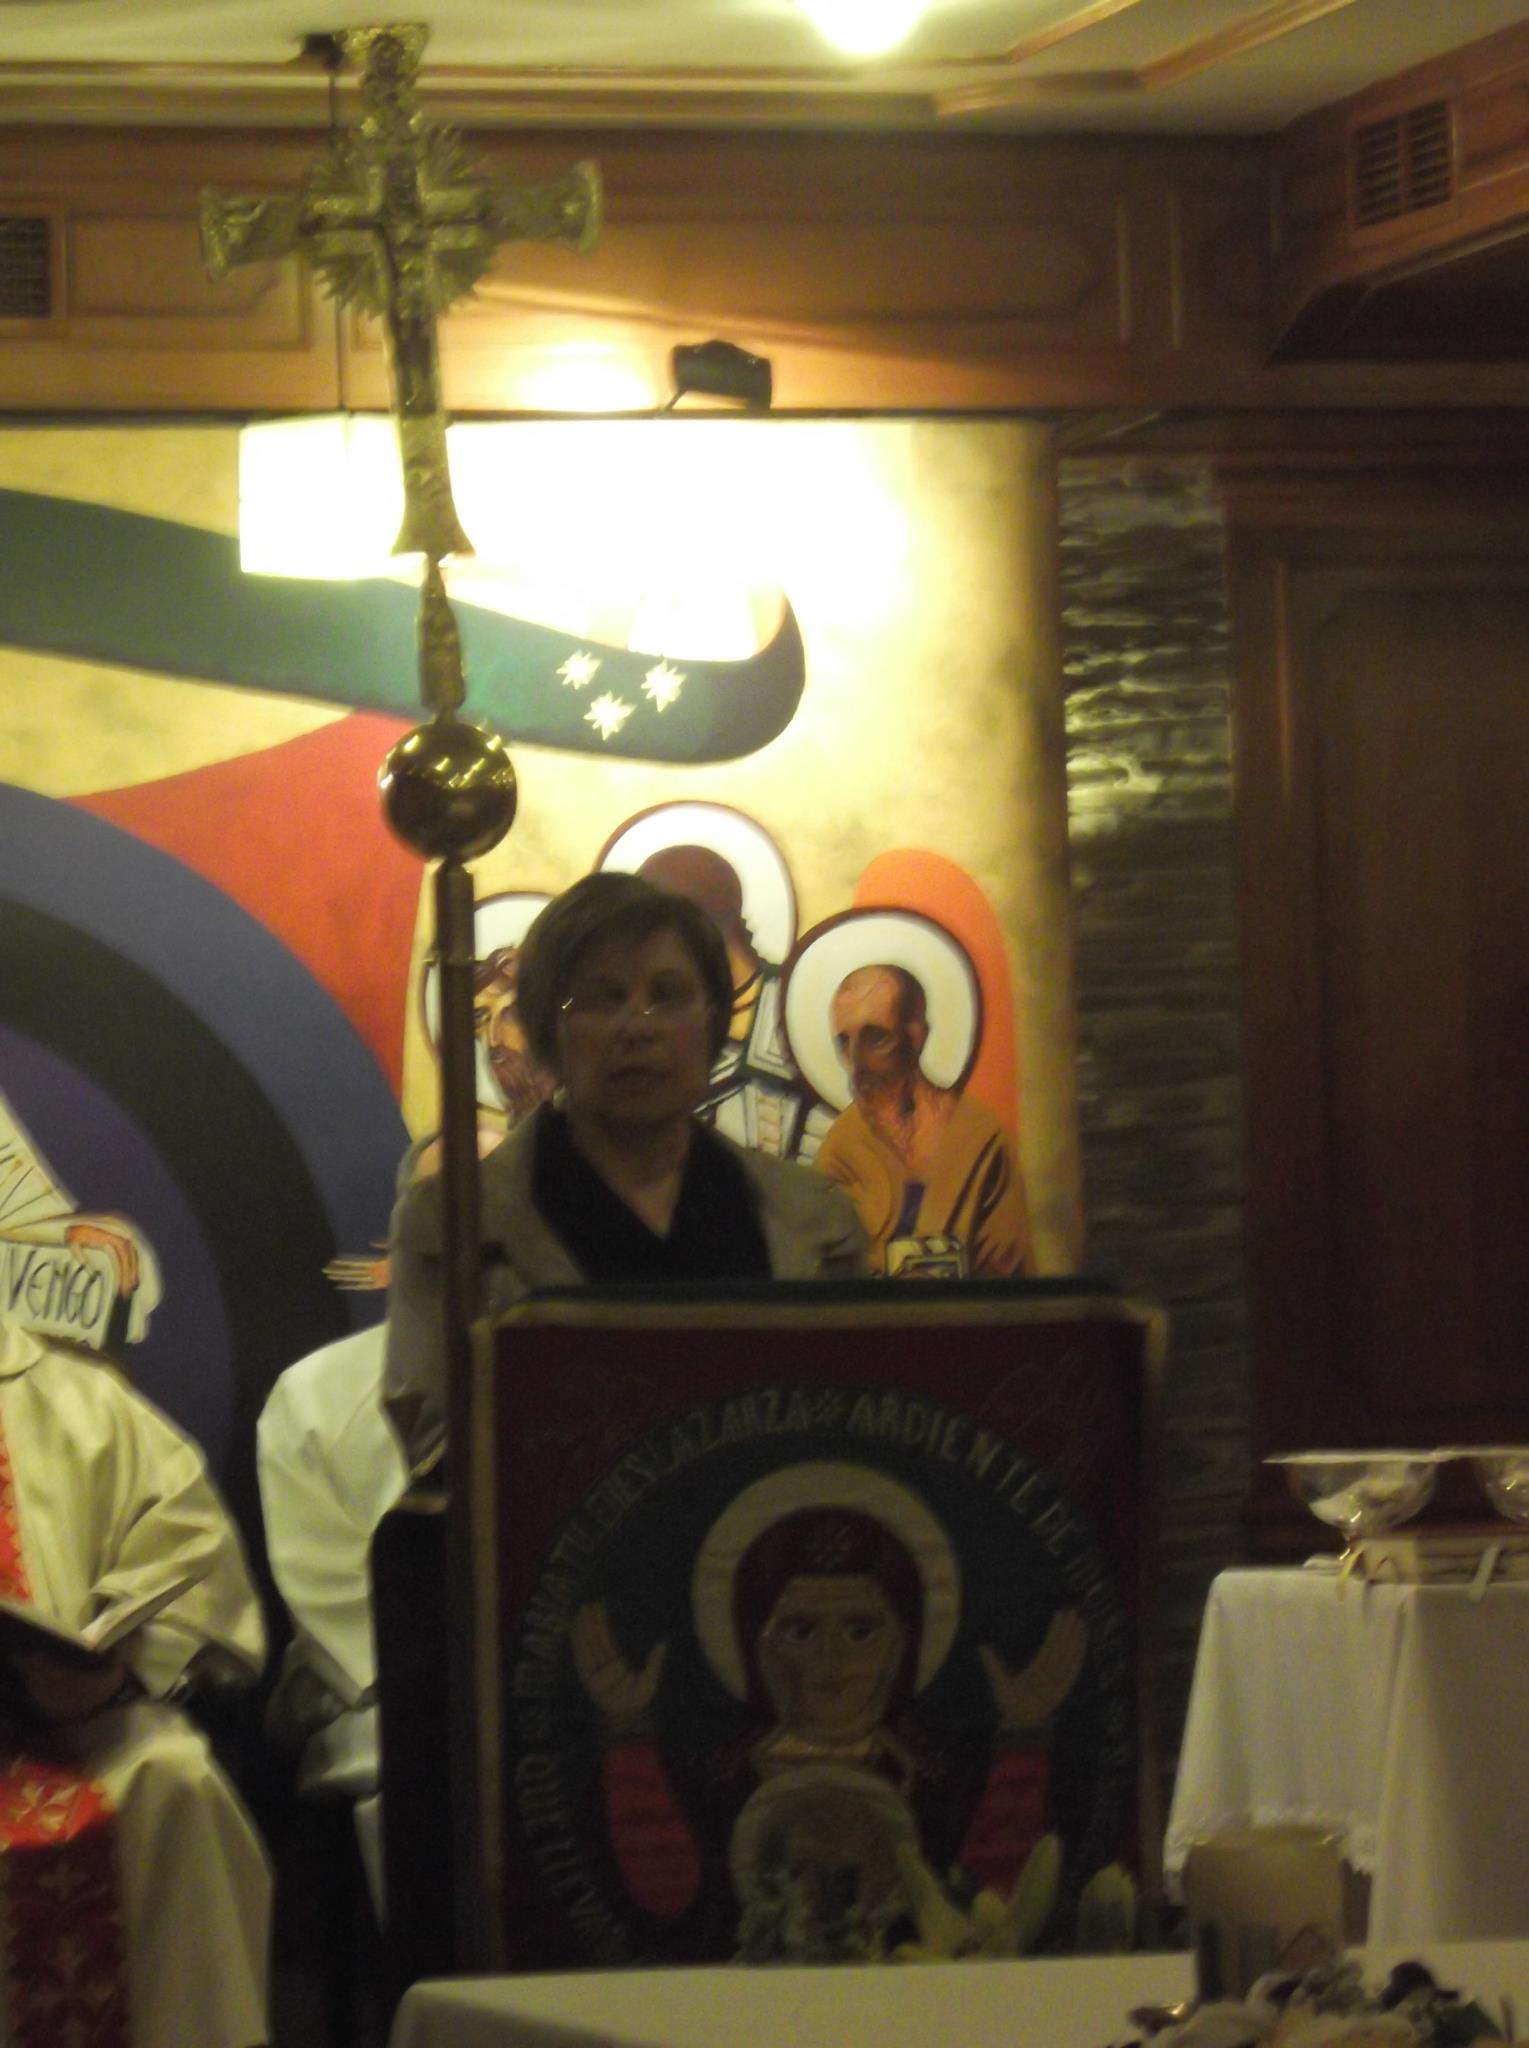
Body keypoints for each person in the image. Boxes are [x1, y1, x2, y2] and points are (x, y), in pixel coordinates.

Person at [385, 871, 869, 1463]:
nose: (638, 1027)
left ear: (714, 1020)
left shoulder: (814, 1221)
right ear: (546, 1028)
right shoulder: (453, 1226)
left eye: (669, 995)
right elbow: (439, 1449)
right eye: (600, 998)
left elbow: (851, 1430)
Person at [0, 1321, 269, 2048]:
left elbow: (188, 1557)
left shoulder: (81, 1401)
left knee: (172, 1778)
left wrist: (113, 1666)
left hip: (68, 1730)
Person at [256, 1321, 407, 1918]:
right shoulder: (317, 1392)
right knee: (405, 1754)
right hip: (386, 1694)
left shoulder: (584, 1358)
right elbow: (351, 1633)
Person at [813, 964, 1032, 1279]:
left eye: (876, 1038)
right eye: (845, 1043)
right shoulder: (840, 1151)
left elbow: (1011, 1265)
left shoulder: (980, 1137)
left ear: (915, 1035)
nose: (858, 1065)